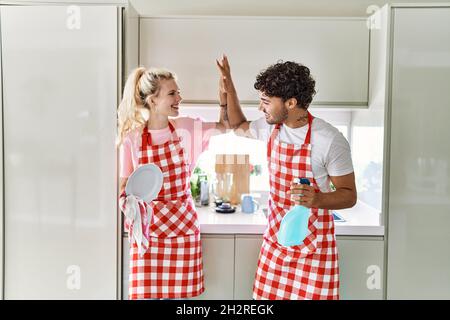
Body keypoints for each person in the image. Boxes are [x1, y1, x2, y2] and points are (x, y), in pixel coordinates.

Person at [216, 55, 357, 300]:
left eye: (266, 102)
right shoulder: (271, 128)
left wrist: (317, 200)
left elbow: (349, 195)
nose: (261, 108)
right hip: (276, 245)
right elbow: (237, 123)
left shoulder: (329, 140)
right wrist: (229, 86)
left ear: (291, 103)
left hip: (314, 251)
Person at [117, 67, 228, 300]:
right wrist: (128, 205)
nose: (179, 98)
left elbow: (224, 127)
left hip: (182, 230)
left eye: (179, 92)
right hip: (149, 234)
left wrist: (223, 100)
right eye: (172, 94)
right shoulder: (133, 139)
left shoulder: (186, 128)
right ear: (153, 100)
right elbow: (123, 189)